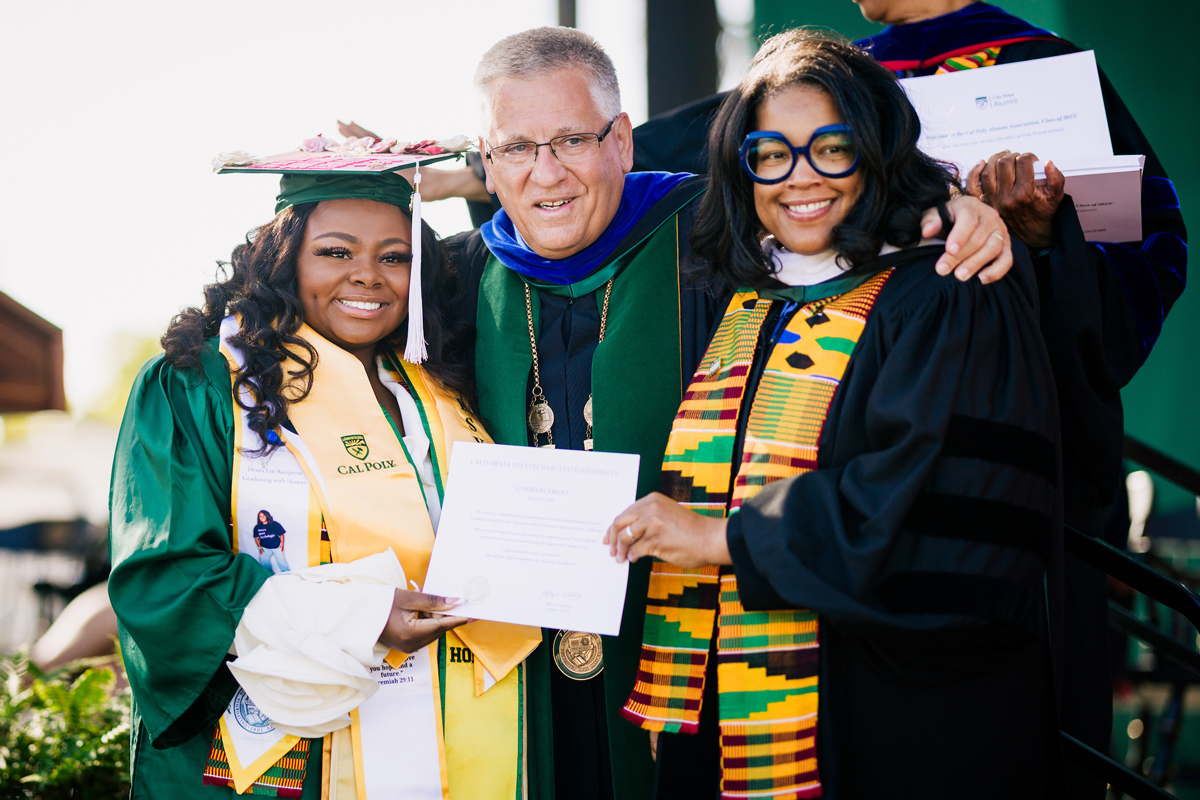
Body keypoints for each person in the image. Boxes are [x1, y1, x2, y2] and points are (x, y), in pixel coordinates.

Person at [442, 25, 1015, 800]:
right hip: (520, 669)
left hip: (722, 657)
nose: (547, 174)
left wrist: (947, 203)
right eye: (516, 149)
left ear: (621, 140)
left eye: (573, 140)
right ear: (486, 160)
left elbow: (824, 194)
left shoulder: (712, 239)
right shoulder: (458, 275)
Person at [608, 29, 1062, 799]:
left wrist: (721, 537)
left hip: (897, 733)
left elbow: (951, 525)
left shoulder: (952, 290)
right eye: (772, 153)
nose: (800, 177)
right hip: (731, 726)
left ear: (877, 151)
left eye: (833, 147)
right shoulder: (746, 302)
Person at [108, 163, 540, 799]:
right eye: (335, 252)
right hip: (288, 746)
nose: (367, 275)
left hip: (456, 726)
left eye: (395, 257)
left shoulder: (440, 383)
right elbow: (165, 576)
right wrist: (359, 616)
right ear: (283, 258)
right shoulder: (199, 383)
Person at [849, 3, 1188, 793]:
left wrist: (1044, 241)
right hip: (850, 444)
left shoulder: (1043, 66)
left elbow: (1150, 253)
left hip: (1008, 464)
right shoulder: (832, 82)